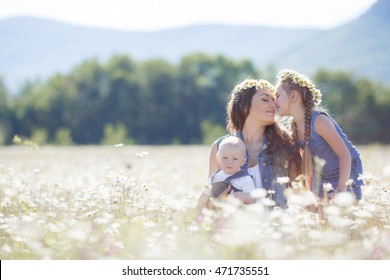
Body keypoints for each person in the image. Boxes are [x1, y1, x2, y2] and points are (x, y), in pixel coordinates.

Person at [196, 78, 300, 216]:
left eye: (273, 99)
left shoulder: (285, 146)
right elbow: (209, 198)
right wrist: (220, 202)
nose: (273, 104)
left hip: (274, 229)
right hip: (232, 229)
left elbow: (300, 193)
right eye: (265, 99)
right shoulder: (220, 147)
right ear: (244, 106)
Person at [274, 69, 363, 201]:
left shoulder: (319, 121)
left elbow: (345, 155)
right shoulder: (294, 127)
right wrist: (309, 192)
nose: (274, 101)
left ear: (293, 96)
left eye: (277, 96)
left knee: (344, 215)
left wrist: (341, 190)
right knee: (322, 218)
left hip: (346, 173)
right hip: (322, 177)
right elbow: (307, 161)